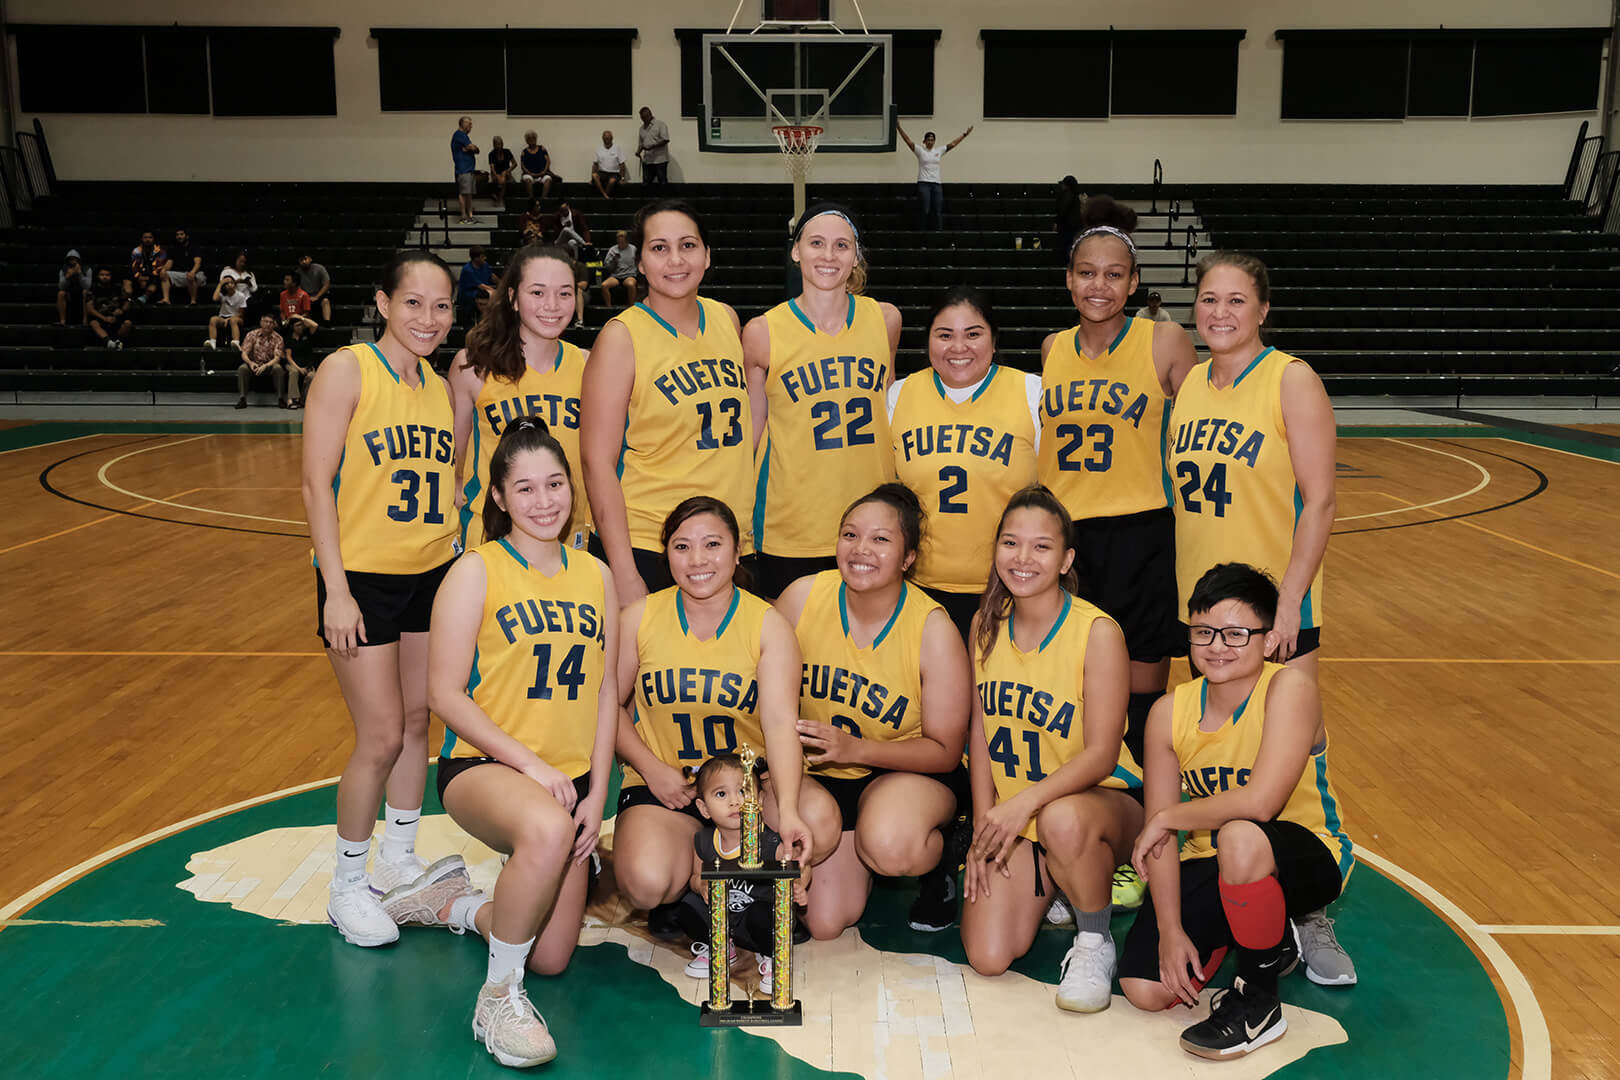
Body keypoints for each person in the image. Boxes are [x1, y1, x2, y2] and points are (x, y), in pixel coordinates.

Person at [413, 416, 620, 1068]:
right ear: (499, 498)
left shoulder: (597, 575)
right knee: (548, 832)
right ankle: (498, 997)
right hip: (484, 769)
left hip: (567, 785)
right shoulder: (476, 570)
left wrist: (598, 795)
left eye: (555, 483)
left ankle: (455, 902)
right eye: (525, 488)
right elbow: (443, 694)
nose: (544, 500)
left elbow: (608, 691)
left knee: (553, 955)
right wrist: (530, 766)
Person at [1168, 251, 1351, 985]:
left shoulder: (1290, 379)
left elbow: (1322, 499)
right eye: (1209, 299)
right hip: (1207, 615)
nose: (1219, 312)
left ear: (1262, 310)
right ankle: (1235, 890)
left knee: (1293, 759)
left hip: (1275, 613)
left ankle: (1310, 909)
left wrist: (1288, 604)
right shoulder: (1187, 387)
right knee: (1227, 756)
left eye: (1236, 300)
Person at [1119, 563, 1354, 1060]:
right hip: (1215, 862)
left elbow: (1262, 803)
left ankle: (1260, 1001)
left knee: (1240, 835)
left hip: (1307, 854)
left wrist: (1165, 816)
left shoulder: (1290, 690)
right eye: (1203, 632)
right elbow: (1160, 842)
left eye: (1236, 633)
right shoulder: (1169, 712)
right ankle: (1259, 930)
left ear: (1269, 641)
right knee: (1146, 989)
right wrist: (1169, 930)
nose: (1217, 646)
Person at [300, 250, 459, 948]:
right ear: (384, 303)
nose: (429, 318)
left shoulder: (436, 386)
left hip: (429, 572)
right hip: (360, 580)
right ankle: (346, 883)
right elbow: (315, 484)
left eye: (442, 306)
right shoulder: (347, 369)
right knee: (382, 734)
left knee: (419, 721)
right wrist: (335, 589)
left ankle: (399, 856)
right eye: (415, 303)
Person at [958, 486, 1143, 1014]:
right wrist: (982, 826)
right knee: (989, 956)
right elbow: (979, 731)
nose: (1022, 558)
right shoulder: (984, 626)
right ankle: (1060, 884)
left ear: (1066, 560)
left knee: (1062, 820)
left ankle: (1094, 938)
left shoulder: (1097, 632)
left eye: (1041, 547)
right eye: (1011, 543)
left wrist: (1022, 805)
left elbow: (1103, 754)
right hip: (1020, 818)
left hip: (1097, 806)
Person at [611, 497, 820, 940]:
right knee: (647, 882)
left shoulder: (767, 624)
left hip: (746, 788)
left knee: (817, 819)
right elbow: (605, 704)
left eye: (712, 544)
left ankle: (731, 890)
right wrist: (651, 769)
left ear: (737, 550)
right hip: (669, 786)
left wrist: (788, 809)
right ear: (666, 554)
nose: (698, 560)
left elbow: (781, 724)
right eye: (682, 547)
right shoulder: (639, 617)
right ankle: (695, 886)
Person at [1038, 196, 1197, 774]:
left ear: (1134, 283)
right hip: (1067, 538)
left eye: (1112, 274)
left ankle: (1140, 824)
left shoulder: (1165, 342)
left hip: (1141, 533)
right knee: (1071, 684)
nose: (1097, 286)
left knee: (1140, 690)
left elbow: (1210, 417)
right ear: (1068, 280)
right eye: (1086, 273)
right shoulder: (1053, 349)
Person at [774, 484, 974, 939]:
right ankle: (842, 849)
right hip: (816, 774)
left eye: (881, 539)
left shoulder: (933, 628)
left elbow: (945, 751)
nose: (861, 549)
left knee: (890, 845)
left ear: (907, 558)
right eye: (850, 535)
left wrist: (857, 749)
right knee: (825, 922)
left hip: (901, 774)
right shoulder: (802, 597)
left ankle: (940, 859)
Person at [579, 199, 753, 603]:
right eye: (659, 248)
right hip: (649, 542)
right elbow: (596, 462)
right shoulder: (621, 337)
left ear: (707, 256)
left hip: (725, 539)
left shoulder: (727, 319)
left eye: (688, 245)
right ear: (639, 262)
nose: (675, 259)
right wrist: (623, 572)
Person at [744, 203, 901, 599]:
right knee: (788, 652)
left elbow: (889, 412)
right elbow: (751, 435)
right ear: (796, 251)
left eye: (841, 246)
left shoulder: (885, 320)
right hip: (790, 523)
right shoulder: (762, 332)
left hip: (871, 522)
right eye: (816, 243)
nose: (829, 256)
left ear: (855, 255)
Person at [887, 284, 1040, 640]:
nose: (958, 348)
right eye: (944, 335)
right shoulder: (898, 396)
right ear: (927, 340)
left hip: (1009, 589)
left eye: (973, 334)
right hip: (918, 589)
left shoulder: (1032, 393)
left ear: (994, 339)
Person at [450, 244, 592, 552]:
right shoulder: (474, 367)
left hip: (568, 540)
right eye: (538, 293)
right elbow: (454, 464)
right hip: (490, 539)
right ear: (513, 298)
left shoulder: (589, 366)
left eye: (565, 293)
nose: (552, 305)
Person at [674, 754, 811, 987]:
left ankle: (772, 956)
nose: (734, 801)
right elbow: (694, 877)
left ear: (758, 800)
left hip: (759, 922)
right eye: (721, 794)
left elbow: (800, 864)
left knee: (762, 915)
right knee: (687, 905)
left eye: (743, 792)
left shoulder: (769, 842)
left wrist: (799, 886)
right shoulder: (704, 841)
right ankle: (720, 947)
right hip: (724, 920)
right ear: (703, 808)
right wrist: (701, 885)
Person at [896, 123, 972, 229]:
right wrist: (898, 128)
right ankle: (922, 232)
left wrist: (964, 135)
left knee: (937, 211)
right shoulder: (920, 151)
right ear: (924, 141)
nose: (930, 141)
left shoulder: (939, 151)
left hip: (937, 184)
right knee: (925, 210)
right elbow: (907, 140)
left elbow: (953, 144)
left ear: (934, 141)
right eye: (928, 139)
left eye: (932, 140)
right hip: (923, 184)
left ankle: (938, 234)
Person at [236, 312, 290, 409]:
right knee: (242, 368)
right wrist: (250, 363)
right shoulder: (251, 334)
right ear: (261, 322)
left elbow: (277, 358)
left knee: (278, 368)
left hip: (269, 365)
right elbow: (244, 353)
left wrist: (266, 366)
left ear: (274, 325)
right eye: (266, 322)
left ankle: (280, 398)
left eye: (270, 322)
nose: (268, 324)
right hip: (254, 365)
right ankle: (242, 399)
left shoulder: (278, 338)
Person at [85, 266, 132, 349]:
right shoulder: (92, 289)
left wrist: (121, 310)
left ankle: (118, 342)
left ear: (111, 276)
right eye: (102, 274)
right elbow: (90, 309)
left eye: (107, 275)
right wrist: (104, 318)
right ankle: (109, 343)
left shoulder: (117, 288)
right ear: (98, 276)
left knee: (128, 323)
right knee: (93, 323)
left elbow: (126, 303)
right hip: (100, 317)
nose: (104, 277)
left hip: (116, 317)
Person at [204, 275, 248, 351]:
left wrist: (229, 318)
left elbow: (241, 313)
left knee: (233, 320)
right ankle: (212, 343)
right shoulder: (222, 295)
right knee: (213, 319)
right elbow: (214, 298)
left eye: (231, 282)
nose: (230, 285)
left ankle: (236, 343)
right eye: (227, 283)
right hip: (223, 318)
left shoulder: (241, 296)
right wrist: (220, 284)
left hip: (237, 318)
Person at [457, 246, 497, 327]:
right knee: (491, 295)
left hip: (482, 291)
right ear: (476, 258)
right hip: (469, 295)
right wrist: (497, 292)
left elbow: (492, 276)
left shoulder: (485, 265)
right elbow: (481, 286)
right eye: (483, 257)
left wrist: (502, 284)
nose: (485, 258)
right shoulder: (467, 270)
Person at [452, 116, 481, 225]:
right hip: (463, 169)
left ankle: (470, 216)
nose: (471, 126)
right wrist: (471, 148)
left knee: (468, 193)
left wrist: (471, 148)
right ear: (462, 124)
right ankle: (464, 216)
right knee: (464, 193)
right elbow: (473, 148)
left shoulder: (464, 136)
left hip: (469, 169)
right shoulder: (459, 135)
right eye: (469, 124)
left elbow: (476, 150)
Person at [164, 229, 205, 305]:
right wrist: (163, 270)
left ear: (187, 236)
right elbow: (169, 263)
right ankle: (166, 299)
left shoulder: (194, 247)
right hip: (181, 274)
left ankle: (193, 301)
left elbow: (197, 263)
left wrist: (192, 272)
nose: (179, 236)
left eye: (181, 234)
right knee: (164, 274)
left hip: (196, 273)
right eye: (177, 235)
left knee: (190, 275)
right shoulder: (173, 249)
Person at [598, 230, 638, 308]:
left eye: (622, 243)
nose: (621, 245)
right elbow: (607, 267)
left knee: (631, 284)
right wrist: (614, 261)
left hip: (629, 275)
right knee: (604, 285)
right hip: (616, 275)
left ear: (627, 241)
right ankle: (609, 307)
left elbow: (639, 262)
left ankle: (631, 306)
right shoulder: (613, 250)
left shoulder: (633, 249)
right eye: (619, 242)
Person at [284, 317, 317, 408]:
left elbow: (315, 325)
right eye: (297, 325)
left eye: (301, 325)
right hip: (293, 364)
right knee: (294, 372)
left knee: (311, 376)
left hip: (307, 364)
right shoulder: (289, 338)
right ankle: (293, 399)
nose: (300, 327)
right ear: (292, 327)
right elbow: (288, 356)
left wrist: (301, 317)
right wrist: (299, 368)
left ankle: (304, 400)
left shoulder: (307, 335)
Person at [1055, 176, 1085, 267]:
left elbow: (1062, 211)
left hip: (1067, 226)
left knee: (1067, 246)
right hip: (1075, 226)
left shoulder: (1067, 195)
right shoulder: (1076, 196)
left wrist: (1056, 222)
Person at [519, 131, 559, 201]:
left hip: (542, 174)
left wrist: (544, 172)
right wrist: (530, 173)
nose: (532, 140)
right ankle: (531, 200)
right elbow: (522, 166)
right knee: (528, 181)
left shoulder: (542, 149)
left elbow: (548, 161)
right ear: (527, 141)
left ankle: (543, 199)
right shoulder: (524, 151)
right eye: (529, 139)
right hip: (529, 174)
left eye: (533, 138)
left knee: (548, 180)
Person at [636, 106, 671, 185]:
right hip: (647, 160)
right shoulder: (641, 128)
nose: (643, 119)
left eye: (645, 117)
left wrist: (651, 147)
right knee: (646, 183)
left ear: (650, 115)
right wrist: (638, 152)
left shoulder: (660, 124)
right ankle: (648, 197)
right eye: (642, 118)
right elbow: (641, 143)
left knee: (662, 182)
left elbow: (666, 139)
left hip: (660, 160)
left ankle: (664, 197)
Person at [130, 231, 166, 299]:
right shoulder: (136, 251)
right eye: (145, 237)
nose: (147, 239)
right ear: (141, 239)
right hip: (140, 275)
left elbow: (160, 267)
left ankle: (143, 298)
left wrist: (148, 277)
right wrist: (139, 277)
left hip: (154, 276)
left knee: (157, 280)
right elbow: (134, 267)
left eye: (150, 237)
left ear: (153, 239)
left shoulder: (160, 251)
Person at [57, 250, 90, 325]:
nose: (73, 261)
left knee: (86, 292)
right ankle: (62, 321)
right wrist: (68, 276)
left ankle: (85, 320)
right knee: (61, 293)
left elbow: (88, 286)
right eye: (70, 259)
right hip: (69, 293)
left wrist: (80, 274)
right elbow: (61, 287)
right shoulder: (63, 270)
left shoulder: (87, 269)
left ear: (78, 260)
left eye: (74, 259)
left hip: (82, 293)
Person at [297, 254, 333, 323]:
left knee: (325, 301)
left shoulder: (319, 268)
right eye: (301, 260)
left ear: (310, 259)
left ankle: (327, 322)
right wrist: (307, 297)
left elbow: (327, 284)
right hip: (306, 296)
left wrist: (317, 296)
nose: (304, 262)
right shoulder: (297, 273)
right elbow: (298, 289)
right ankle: (308, 324)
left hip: (320, 294)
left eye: (305, 259)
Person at [591, 130, 627, 198]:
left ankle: (604, 195)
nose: (606, 140)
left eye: (608, 138)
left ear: (612, 138)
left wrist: (622, 178)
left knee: (612, 181)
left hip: (614, 173)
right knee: (594, 175)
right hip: (602, 173)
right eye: (605, 138)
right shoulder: (598, 148)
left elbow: (622, 164)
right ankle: (605, 195)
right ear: (602, 139)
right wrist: (591, 178)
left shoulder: (617, 148)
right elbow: (595, 164)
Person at [487, 135, 517, 209]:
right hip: (496, 174)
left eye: (499, 144)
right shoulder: (491, 154)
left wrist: (507, 171)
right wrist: (498, 176)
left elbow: (515, 164)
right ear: (493, 145)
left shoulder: (507, 151)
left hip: (506, 172)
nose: (498, 146)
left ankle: (500, 198)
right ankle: (500, 199)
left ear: (502, 144)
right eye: (496, 144)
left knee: (506, 179)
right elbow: (492, 169)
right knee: (501, 180)